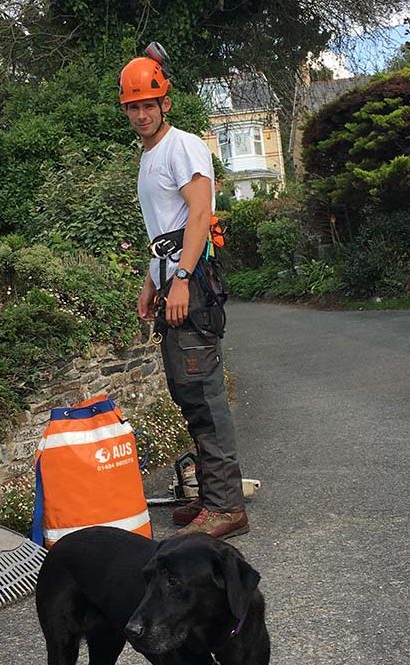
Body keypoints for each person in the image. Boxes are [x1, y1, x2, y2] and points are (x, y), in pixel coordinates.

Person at [120, 47, 248, 539]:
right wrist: (150, 282)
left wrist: (180, 279)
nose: (142, 113)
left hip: (191, 285)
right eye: (133, 106)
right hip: (172, 278)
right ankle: (209, 497)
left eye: (149, 103)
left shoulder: (183, 146)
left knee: (204, 393)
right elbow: (164, 228)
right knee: (186, 391)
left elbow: (198, 215)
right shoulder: (149, 156)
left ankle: (227, 506)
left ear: (165, 103)